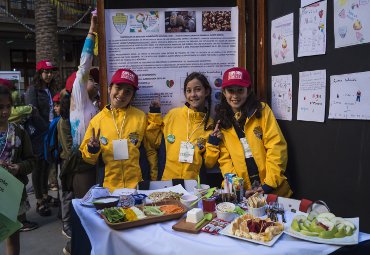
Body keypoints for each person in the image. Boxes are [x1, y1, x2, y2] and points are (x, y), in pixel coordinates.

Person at [206, 67, 292, 197]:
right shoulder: (221, 122)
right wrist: (238, 190)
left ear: (248, 91)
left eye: (240, 90)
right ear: (224, 92)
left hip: (273, 191)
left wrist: (269, 184)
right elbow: (225, 162)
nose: (235, 96)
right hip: (244, 195)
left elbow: (276, 147)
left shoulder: (262, 111)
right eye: (230, 90)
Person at [80, 68, 157, 192]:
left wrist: (153, 180)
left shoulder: (140, 117)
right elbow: (89, 159)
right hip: (109, 189)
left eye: (127, 92)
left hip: (137, 187)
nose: (121, 94)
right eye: (118, 88)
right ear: (110, 88)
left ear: (132, 97)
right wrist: (92, 149)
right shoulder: (97, 121)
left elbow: (150, 151)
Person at [146, 72, 214, 181]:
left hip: (194, 185)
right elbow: (154, 142)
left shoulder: (210, 125)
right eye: (188, 91)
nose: (193, 95)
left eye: (197, 89)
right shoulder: (173, 115)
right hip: (168, 182)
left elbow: (209, 163)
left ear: (206, 91)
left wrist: (214, 142)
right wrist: (154, 115)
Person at [0, 85, 37, 255]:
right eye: (0, 107)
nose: (5, 111)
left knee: (12, 238)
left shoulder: (18, 131)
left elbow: (31, 160)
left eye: (9, 106)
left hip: (12, 193)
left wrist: (19, 168)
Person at [24, 59, 60, 216]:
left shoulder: (50, 89)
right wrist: (47, 127)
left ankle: (45, 196)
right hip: (39, 134)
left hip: (50, 131)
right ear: (39, 73)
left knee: (47, 164)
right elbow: (32, 112)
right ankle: (39, 201)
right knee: (38, 167)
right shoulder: (33, 89)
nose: (49, 75)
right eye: (46, 72)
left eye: (51, 72)